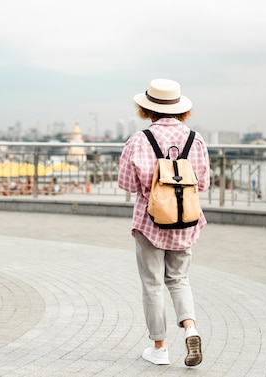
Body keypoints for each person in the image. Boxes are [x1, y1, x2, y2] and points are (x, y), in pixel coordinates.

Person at [118, 79, 210, 367]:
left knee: (152, 284)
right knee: (179, 279)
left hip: (150, 221)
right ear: (180, 109)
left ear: (146, 108)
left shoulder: (139, 139)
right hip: (185, 222)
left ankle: (160, 348)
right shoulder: (196, 139)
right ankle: (191, 328)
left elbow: (128, 184)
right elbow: (203, 183)